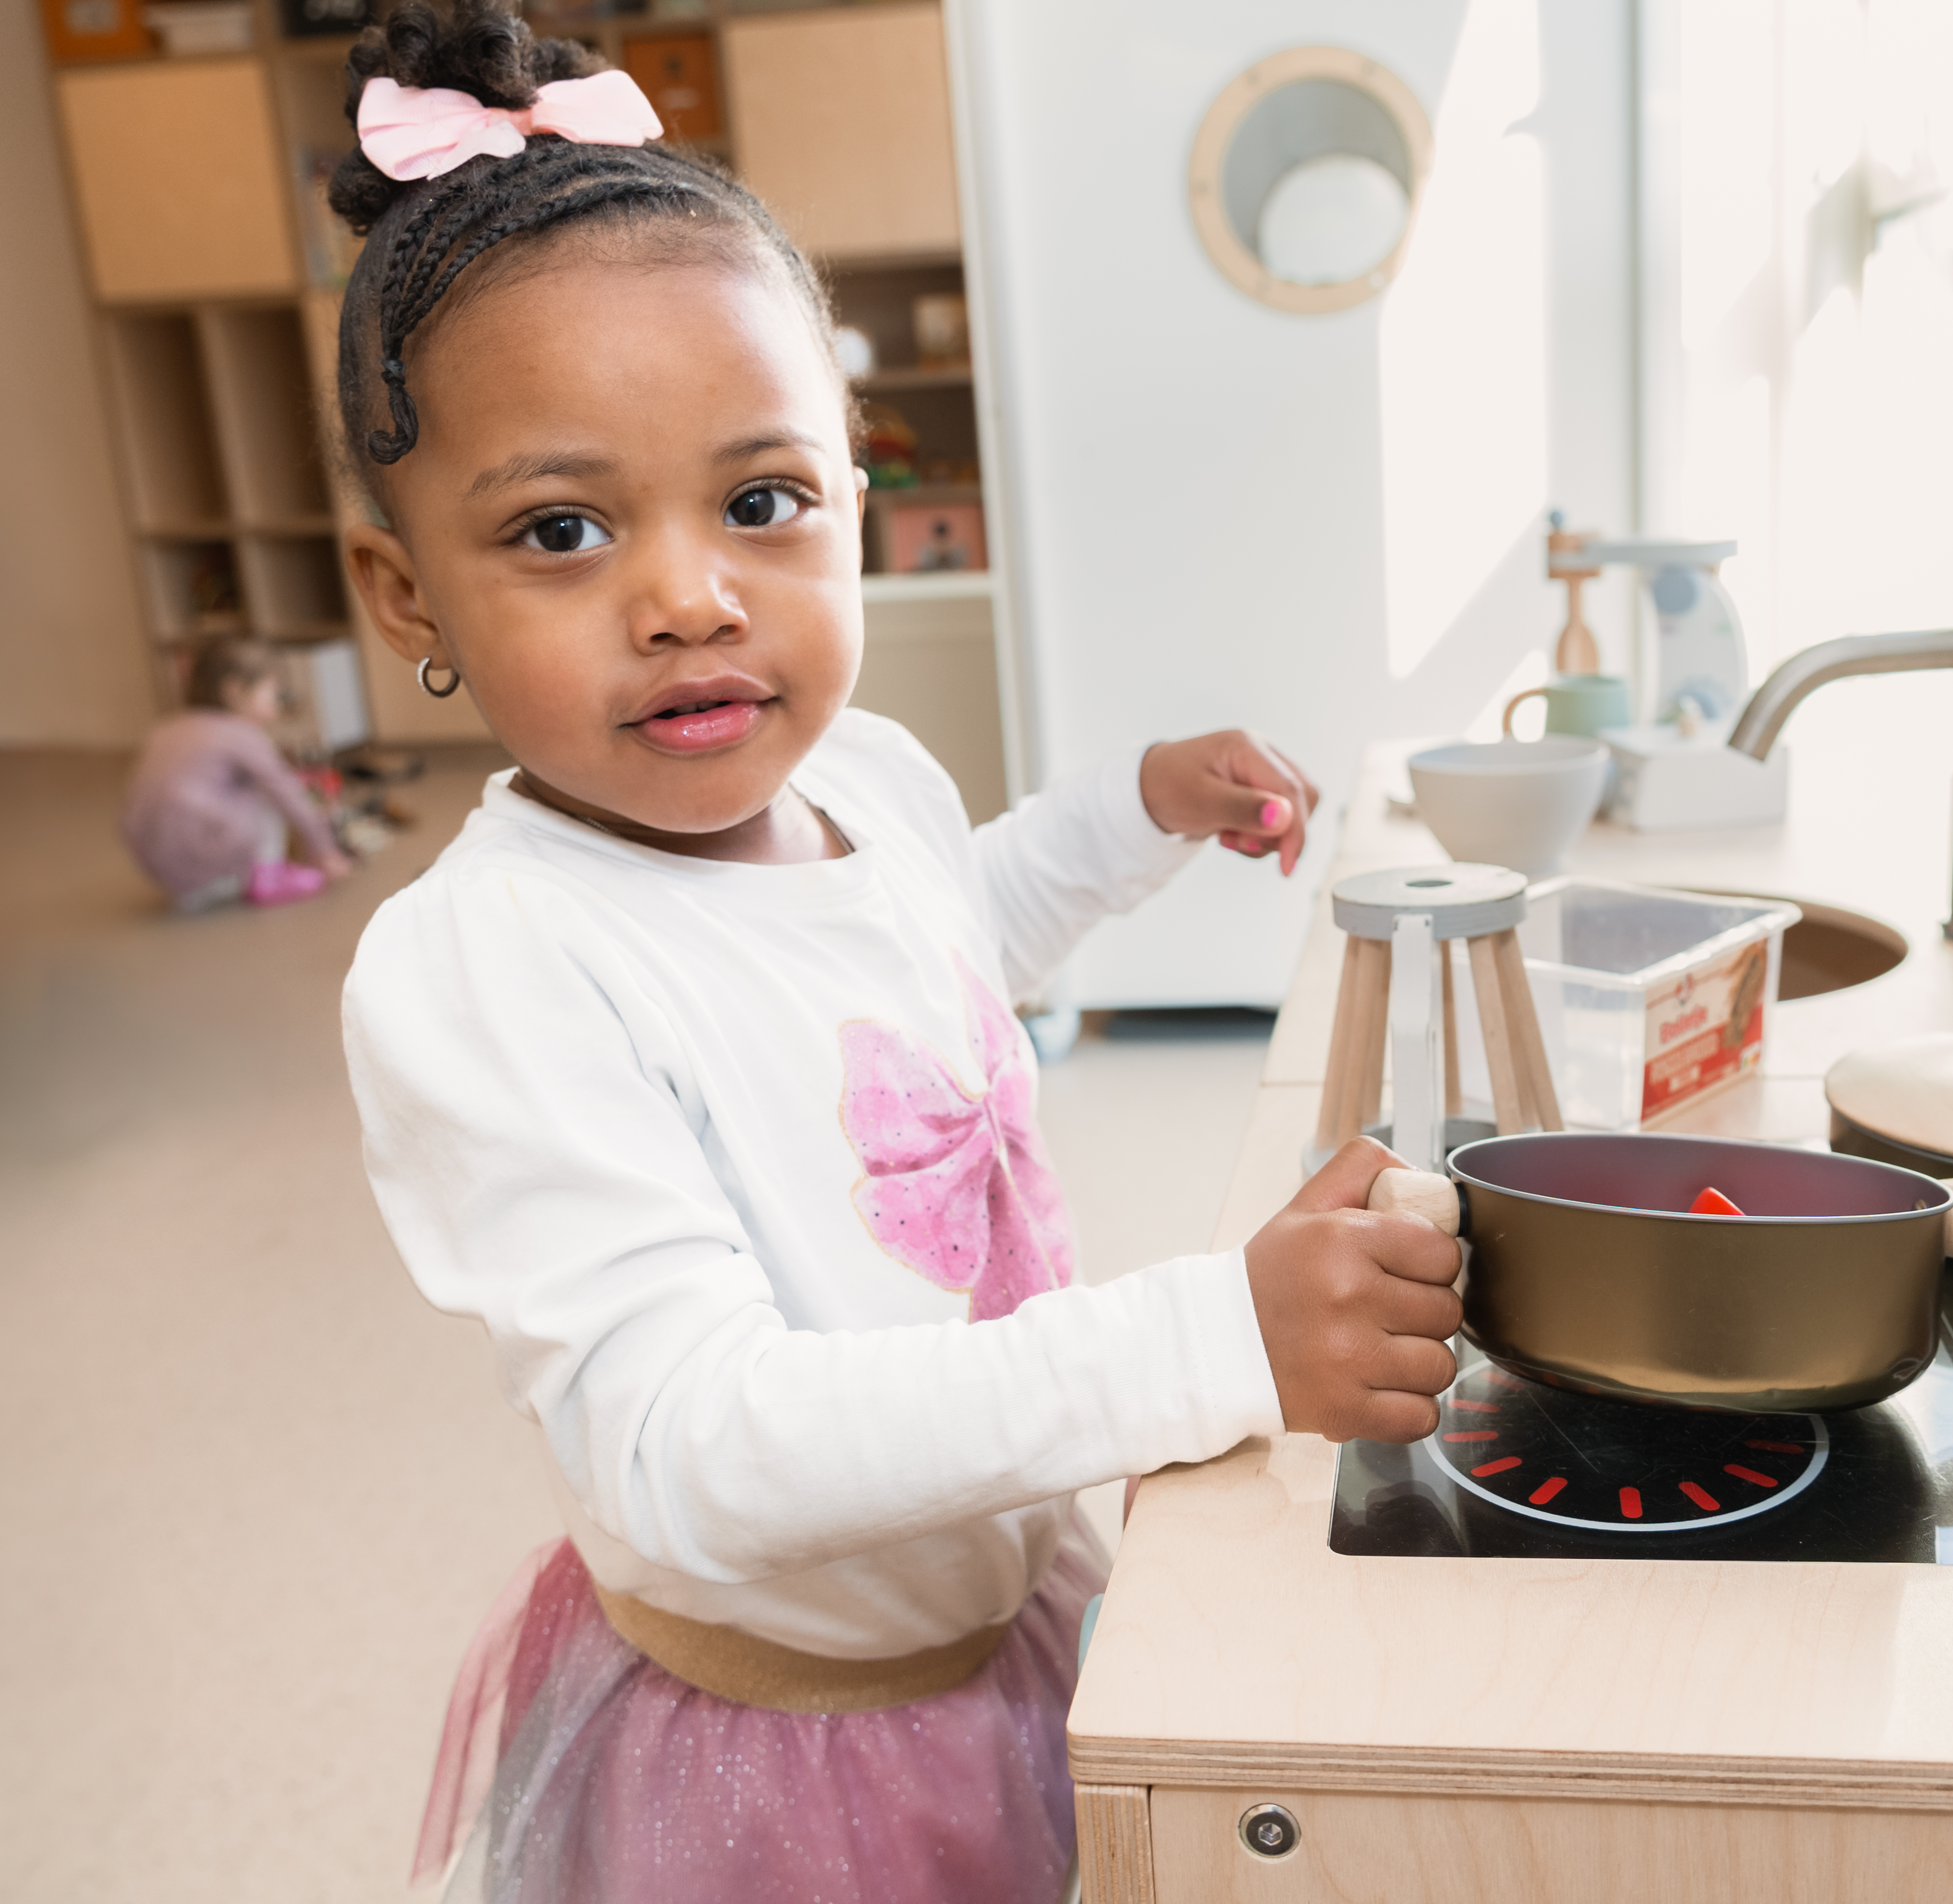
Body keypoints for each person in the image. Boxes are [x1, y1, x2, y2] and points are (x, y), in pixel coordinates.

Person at [325, 7, 1460, 1899]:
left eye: (760, 501)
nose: (689, 594)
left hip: (984, 1612)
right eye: (562, 526)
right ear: (406, 591)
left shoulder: (865, 776)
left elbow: (934, 951)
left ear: (858, 490)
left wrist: (1122, 816)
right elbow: (689, 1442)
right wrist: (1213, 1336)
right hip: (782, 1753)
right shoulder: (491, 969)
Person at [120, 634, 352, 910]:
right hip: (200, 853)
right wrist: (326, 851)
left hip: (161, 869)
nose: (276, 703)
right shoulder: (242, 735)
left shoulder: (170, 727)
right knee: (271, 789)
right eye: (270, 692)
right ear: (234, 691)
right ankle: (266, 877)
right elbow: (289, 795)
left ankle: (205, 885)